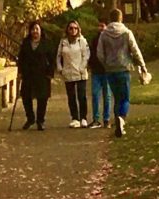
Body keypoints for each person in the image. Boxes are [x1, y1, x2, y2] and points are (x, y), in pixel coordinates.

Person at [91, 7, 149, 137]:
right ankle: (121, 118)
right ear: (121, 18)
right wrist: (142, 65)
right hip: (123, 68)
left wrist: (106, 63)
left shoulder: (104, 34)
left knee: (116, 97)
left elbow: (99, 53)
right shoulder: (126, 32)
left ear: (110, 19)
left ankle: (118, 123)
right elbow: (135, 50)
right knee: (125, 98)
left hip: (110, 70)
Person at [16, 19, 55, 130]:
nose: (35, 31)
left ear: (40, 31)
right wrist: (20, 72)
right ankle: (30, 118)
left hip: (42, 75)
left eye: (37, 29)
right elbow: (21, 58)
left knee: (42, 99)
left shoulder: (46, 43)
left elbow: (52, 60)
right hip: (28, 74)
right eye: (33, 29)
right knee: (26, 97)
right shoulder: (26, 43)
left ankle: (40, 121)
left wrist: (50, 73)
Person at [55, 19, 91, 124]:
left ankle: (83, 118)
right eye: (71, 28)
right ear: (67, 29)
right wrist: (60, 68)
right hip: (68, 72)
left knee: (82, 96)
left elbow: (86, 55)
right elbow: (58, 56)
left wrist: (82, 67)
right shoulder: (63, 42)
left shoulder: (82, 41)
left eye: (75, 28)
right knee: (71, 97)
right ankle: (75, 118)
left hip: (80, 73)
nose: (73, 30)